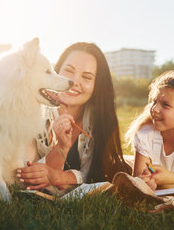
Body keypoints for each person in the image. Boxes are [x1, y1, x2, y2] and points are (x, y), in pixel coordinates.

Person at [17, 42, 131, 192]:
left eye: (87, 77)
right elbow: (28, 176)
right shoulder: (31, 113)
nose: (74, 82)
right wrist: (61, 148)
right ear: (56, 70)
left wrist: (62, 177)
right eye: (69, 71)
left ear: (97, 85)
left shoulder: (100, 121)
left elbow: (96, 175)